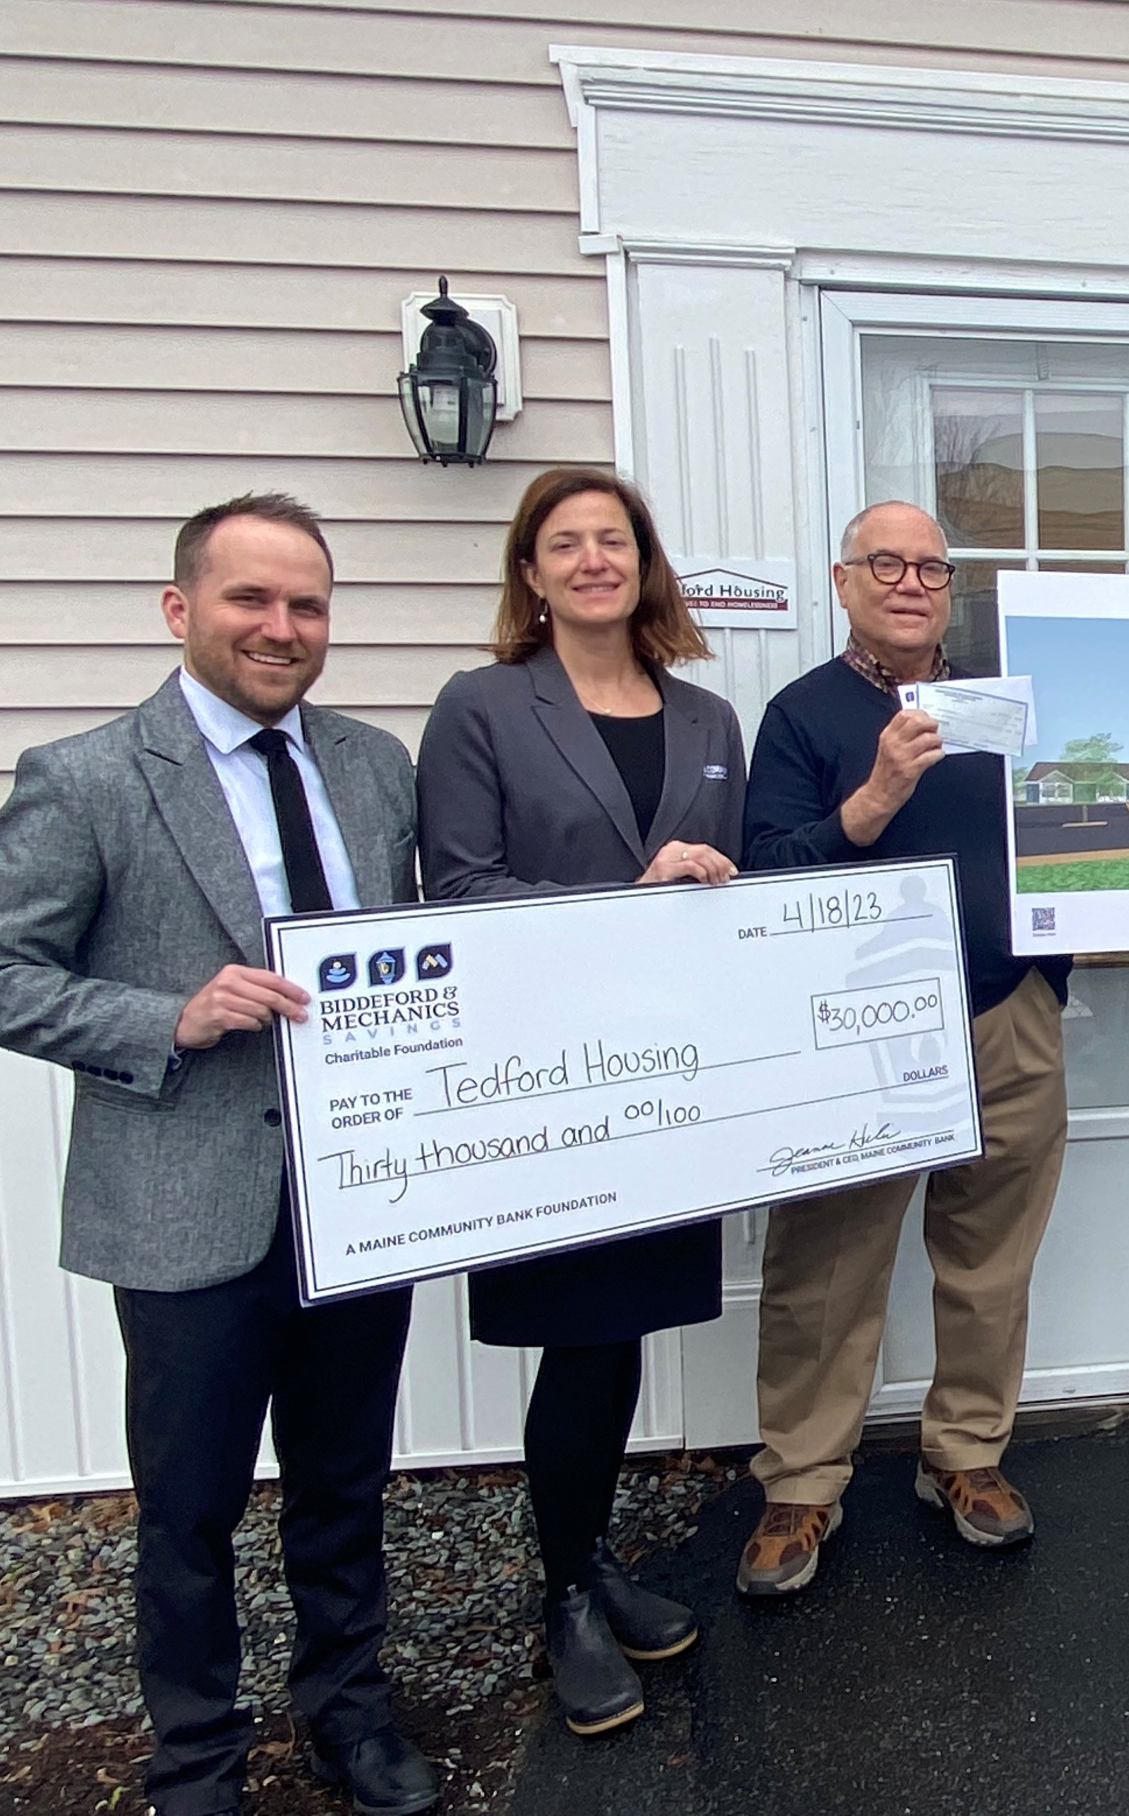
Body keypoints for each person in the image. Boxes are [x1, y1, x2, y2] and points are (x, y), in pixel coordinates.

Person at [0, 495, 439, 1816]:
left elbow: (422, 950)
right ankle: (195, 1754)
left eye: (306, 604)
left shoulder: (372, 764)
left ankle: (348, 1713)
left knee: (344, 1479)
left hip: (361, 1193)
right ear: (181, 607)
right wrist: (165, 1015)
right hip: (191, 1201)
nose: (282, 626)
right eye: (252, 598)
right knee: (188, 1509)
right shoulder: (87, 775)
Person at [415, 467, 747, 1736]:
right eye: (567, 543)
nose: (595, 559)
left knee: (621, 1336)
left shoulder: (709, 717)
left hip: (672, 1087)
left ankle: (592, 1556)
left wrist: (721, 887)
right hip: (543, 1081)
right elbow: (457, 890)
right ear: (531, 573)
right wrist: (630, 900)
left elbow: (736, 893)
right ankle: (561, 1596)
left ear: (644, 564)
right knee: (576, 1336)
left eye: (616, 539)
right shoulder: (484, 706)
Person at [736, 501, 1073, 1594]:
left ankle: (966, 1456)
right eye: (887, 563)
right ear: (843, 582)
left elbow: (1063, 824)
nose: (912, 583)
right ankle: (800, 1484)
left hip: (1005, 1010)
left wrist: (1050, 967)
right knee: (825, 1263)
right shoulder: (801, 715)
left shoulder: (996, 707)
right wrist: (874, 797)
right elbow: (767, 873)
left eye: (932, 567)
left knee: (991, 1256)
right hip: (859, 1028)